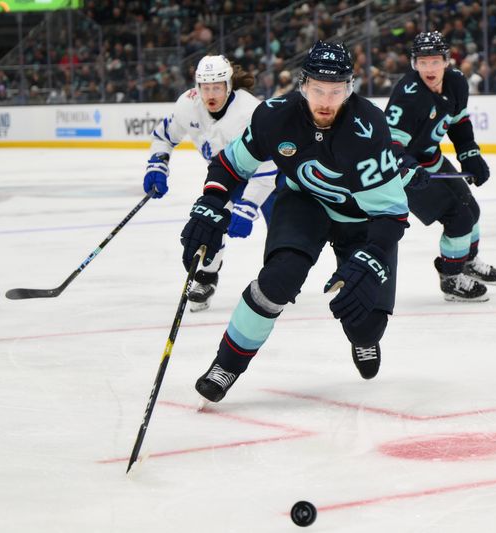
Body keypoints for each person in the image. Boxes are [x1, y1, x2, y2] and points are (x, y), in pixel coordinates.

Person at [180, 41, 411, 403]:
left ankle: (364, 340)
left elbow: (391, 214)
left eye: (337, 91)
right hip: (304, 204)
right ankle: (226, 364)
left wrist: (373, 256)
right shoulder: (274, 116)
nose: (326, 100)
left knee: (365, 324)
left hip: (362, 219)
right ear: (303, 85)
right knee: (277, 279)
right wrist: (210, 201)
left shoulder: (368, 128)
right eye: (318, 89)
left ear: (349, 89)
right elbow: (230, 165)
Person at [144, 55, 279, 311]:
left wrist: (248, 205)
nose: (210, 94)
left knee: (282, 230)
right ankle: (205, 279)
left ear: (229, 86)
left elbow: (270, 162)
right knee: (208, 220)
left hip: (268, 176)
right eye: (205, 87)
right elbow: (164, 136)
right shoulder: (188, 105)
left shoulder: (250, 111)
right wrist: (157, 164)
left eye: (217, 87)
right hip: (225, 175)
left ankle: (279, 278)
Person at [384, 31, 496, 303]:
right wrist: (409, 169)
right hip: (405, 172)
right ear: (414, 64)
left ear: (446, 61)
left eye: (434, 61)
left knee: (471, 209)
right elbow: (390, 146)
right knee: (457, 217)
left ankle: (467, 261)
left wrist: (469, 154)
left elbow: (459, 122)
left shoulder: (457, 83)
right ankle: (451, 277)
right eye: (422, 62)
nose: (429, 68)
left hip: (432, 159)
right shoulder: (407, 94)